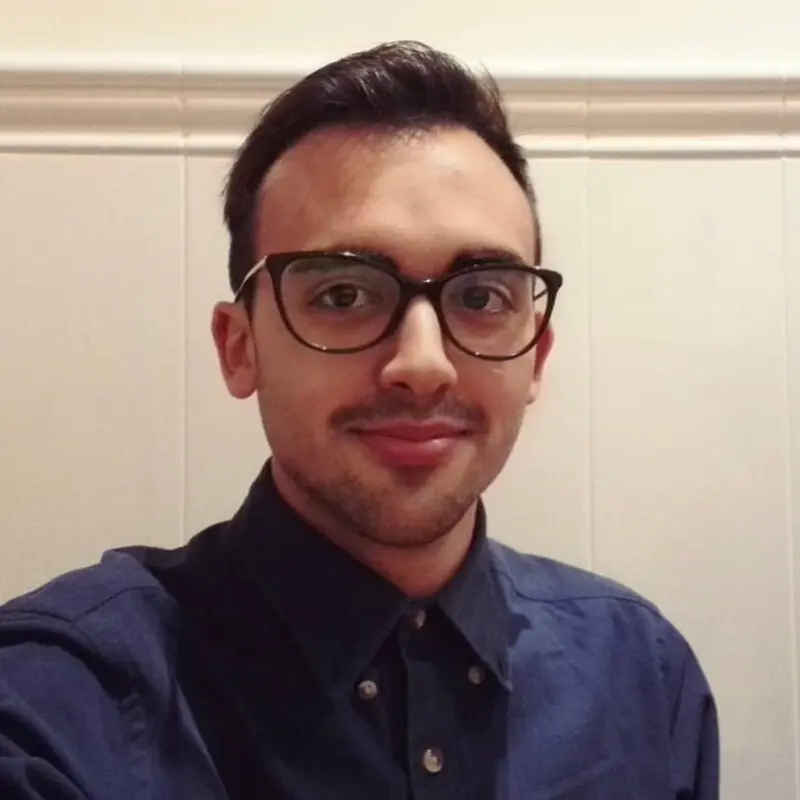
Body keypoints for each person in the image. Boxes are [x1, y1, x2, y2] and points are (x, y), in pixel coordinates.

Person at [0, 40, 718, 799]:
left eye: (481, 297)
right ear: (239, 349)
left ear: (536, 355)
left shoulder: (643, 675)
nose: (424, 363)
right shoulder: (56, 710)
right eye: (343, 294)